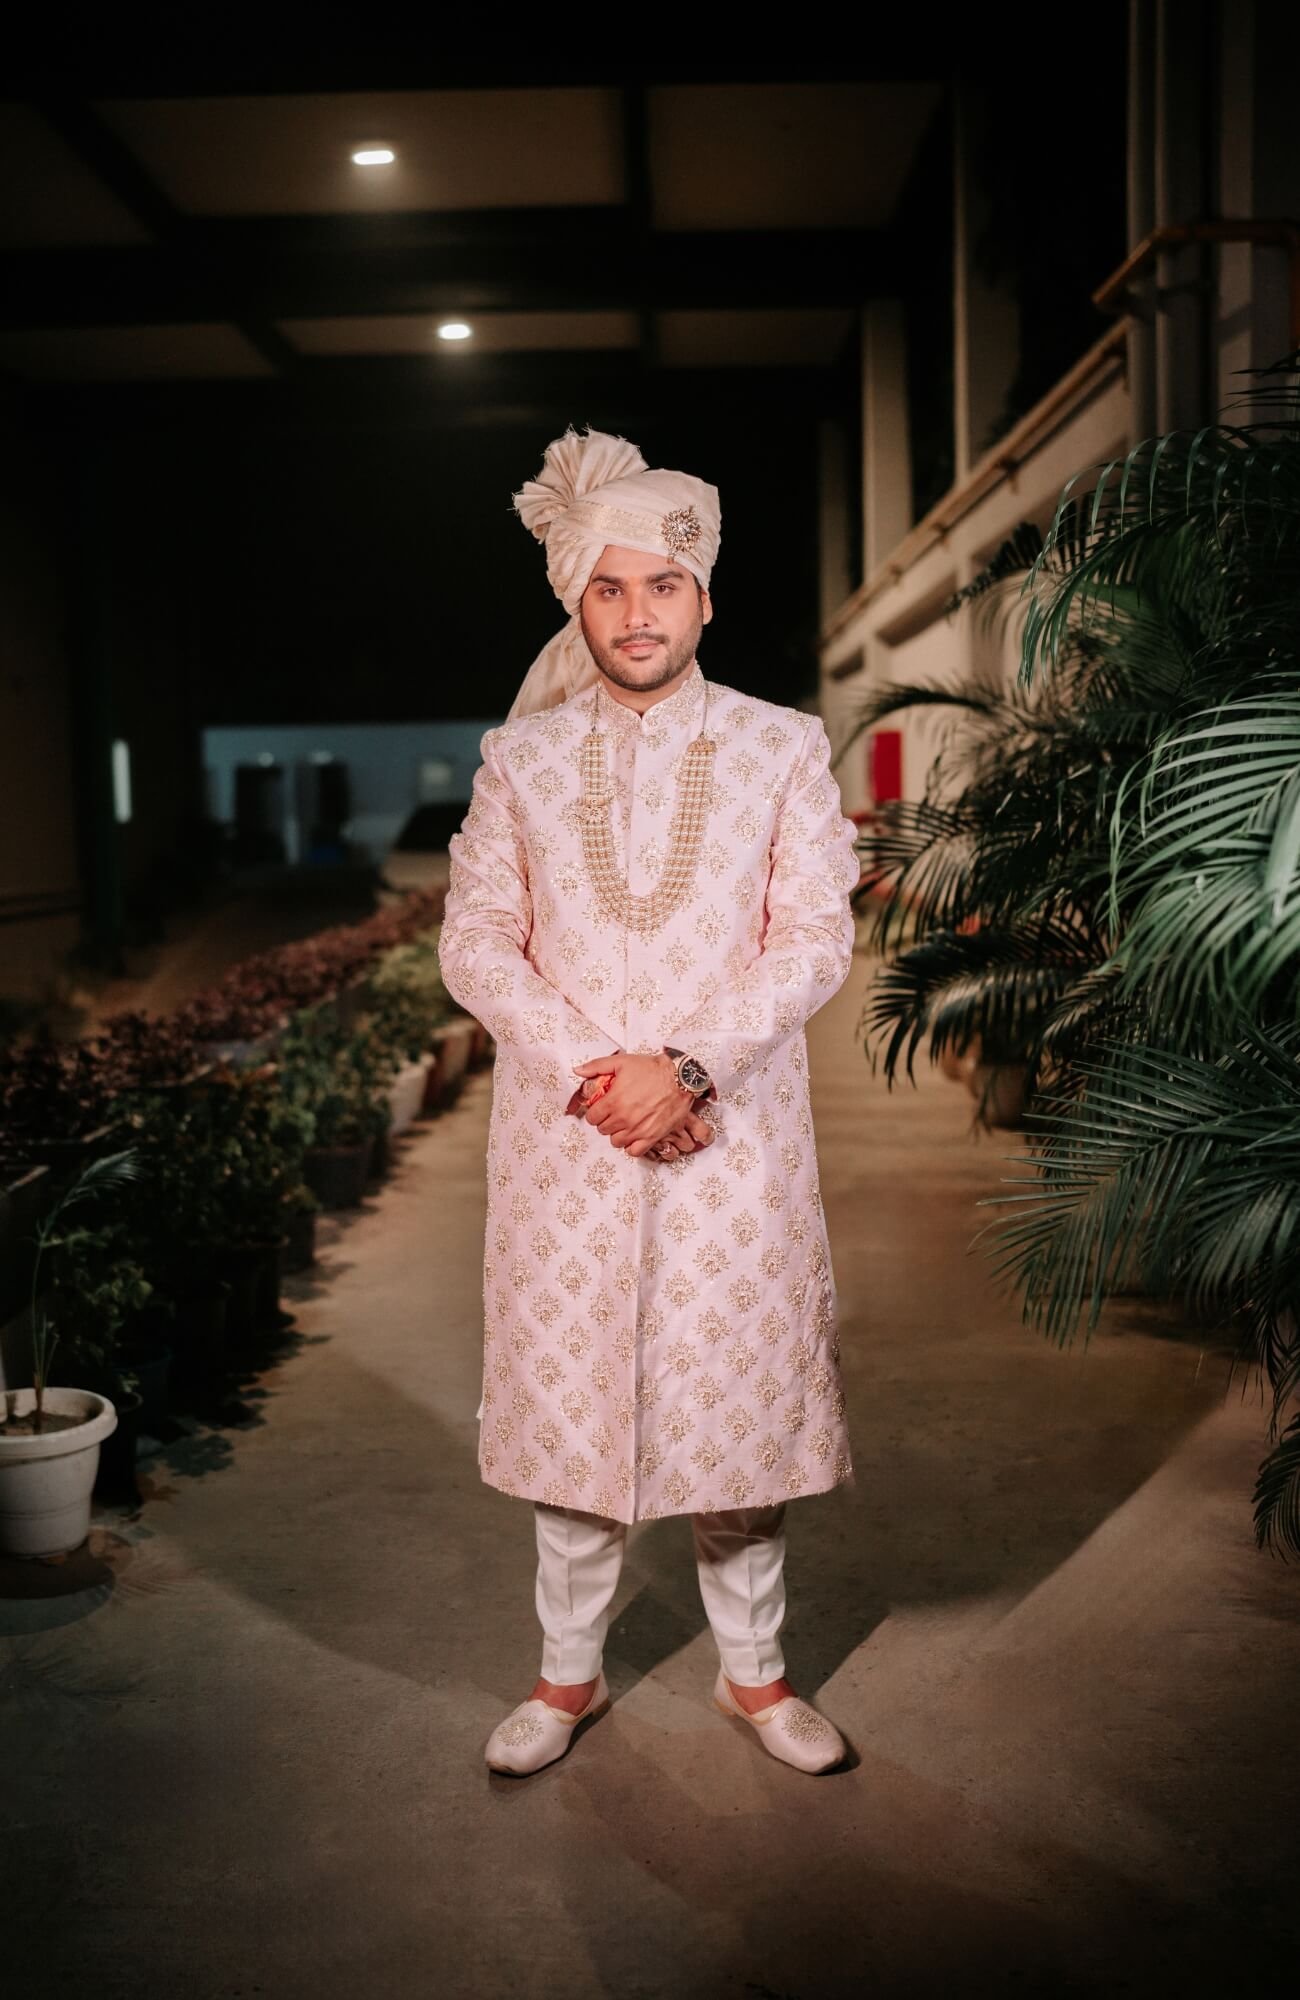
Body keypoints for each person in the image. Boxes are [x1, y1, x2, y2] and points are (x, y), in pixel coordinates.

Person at [437, 426, 860, 1778]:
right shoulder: (520, 762)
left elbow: (811, 941)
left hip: (728, 1143)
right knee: (577, 1442)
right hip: (570, 1149)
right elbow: (476, 943)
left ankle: (757, 1679)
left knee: (733, 1430)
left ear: (705, 599)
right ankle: (565, 1682)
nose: (636, 614)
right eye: (609, 589)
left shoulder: (784, 748)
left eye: (661, 587)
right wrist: (594, 1073)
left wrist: (681, 1068)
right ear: (578, 602)